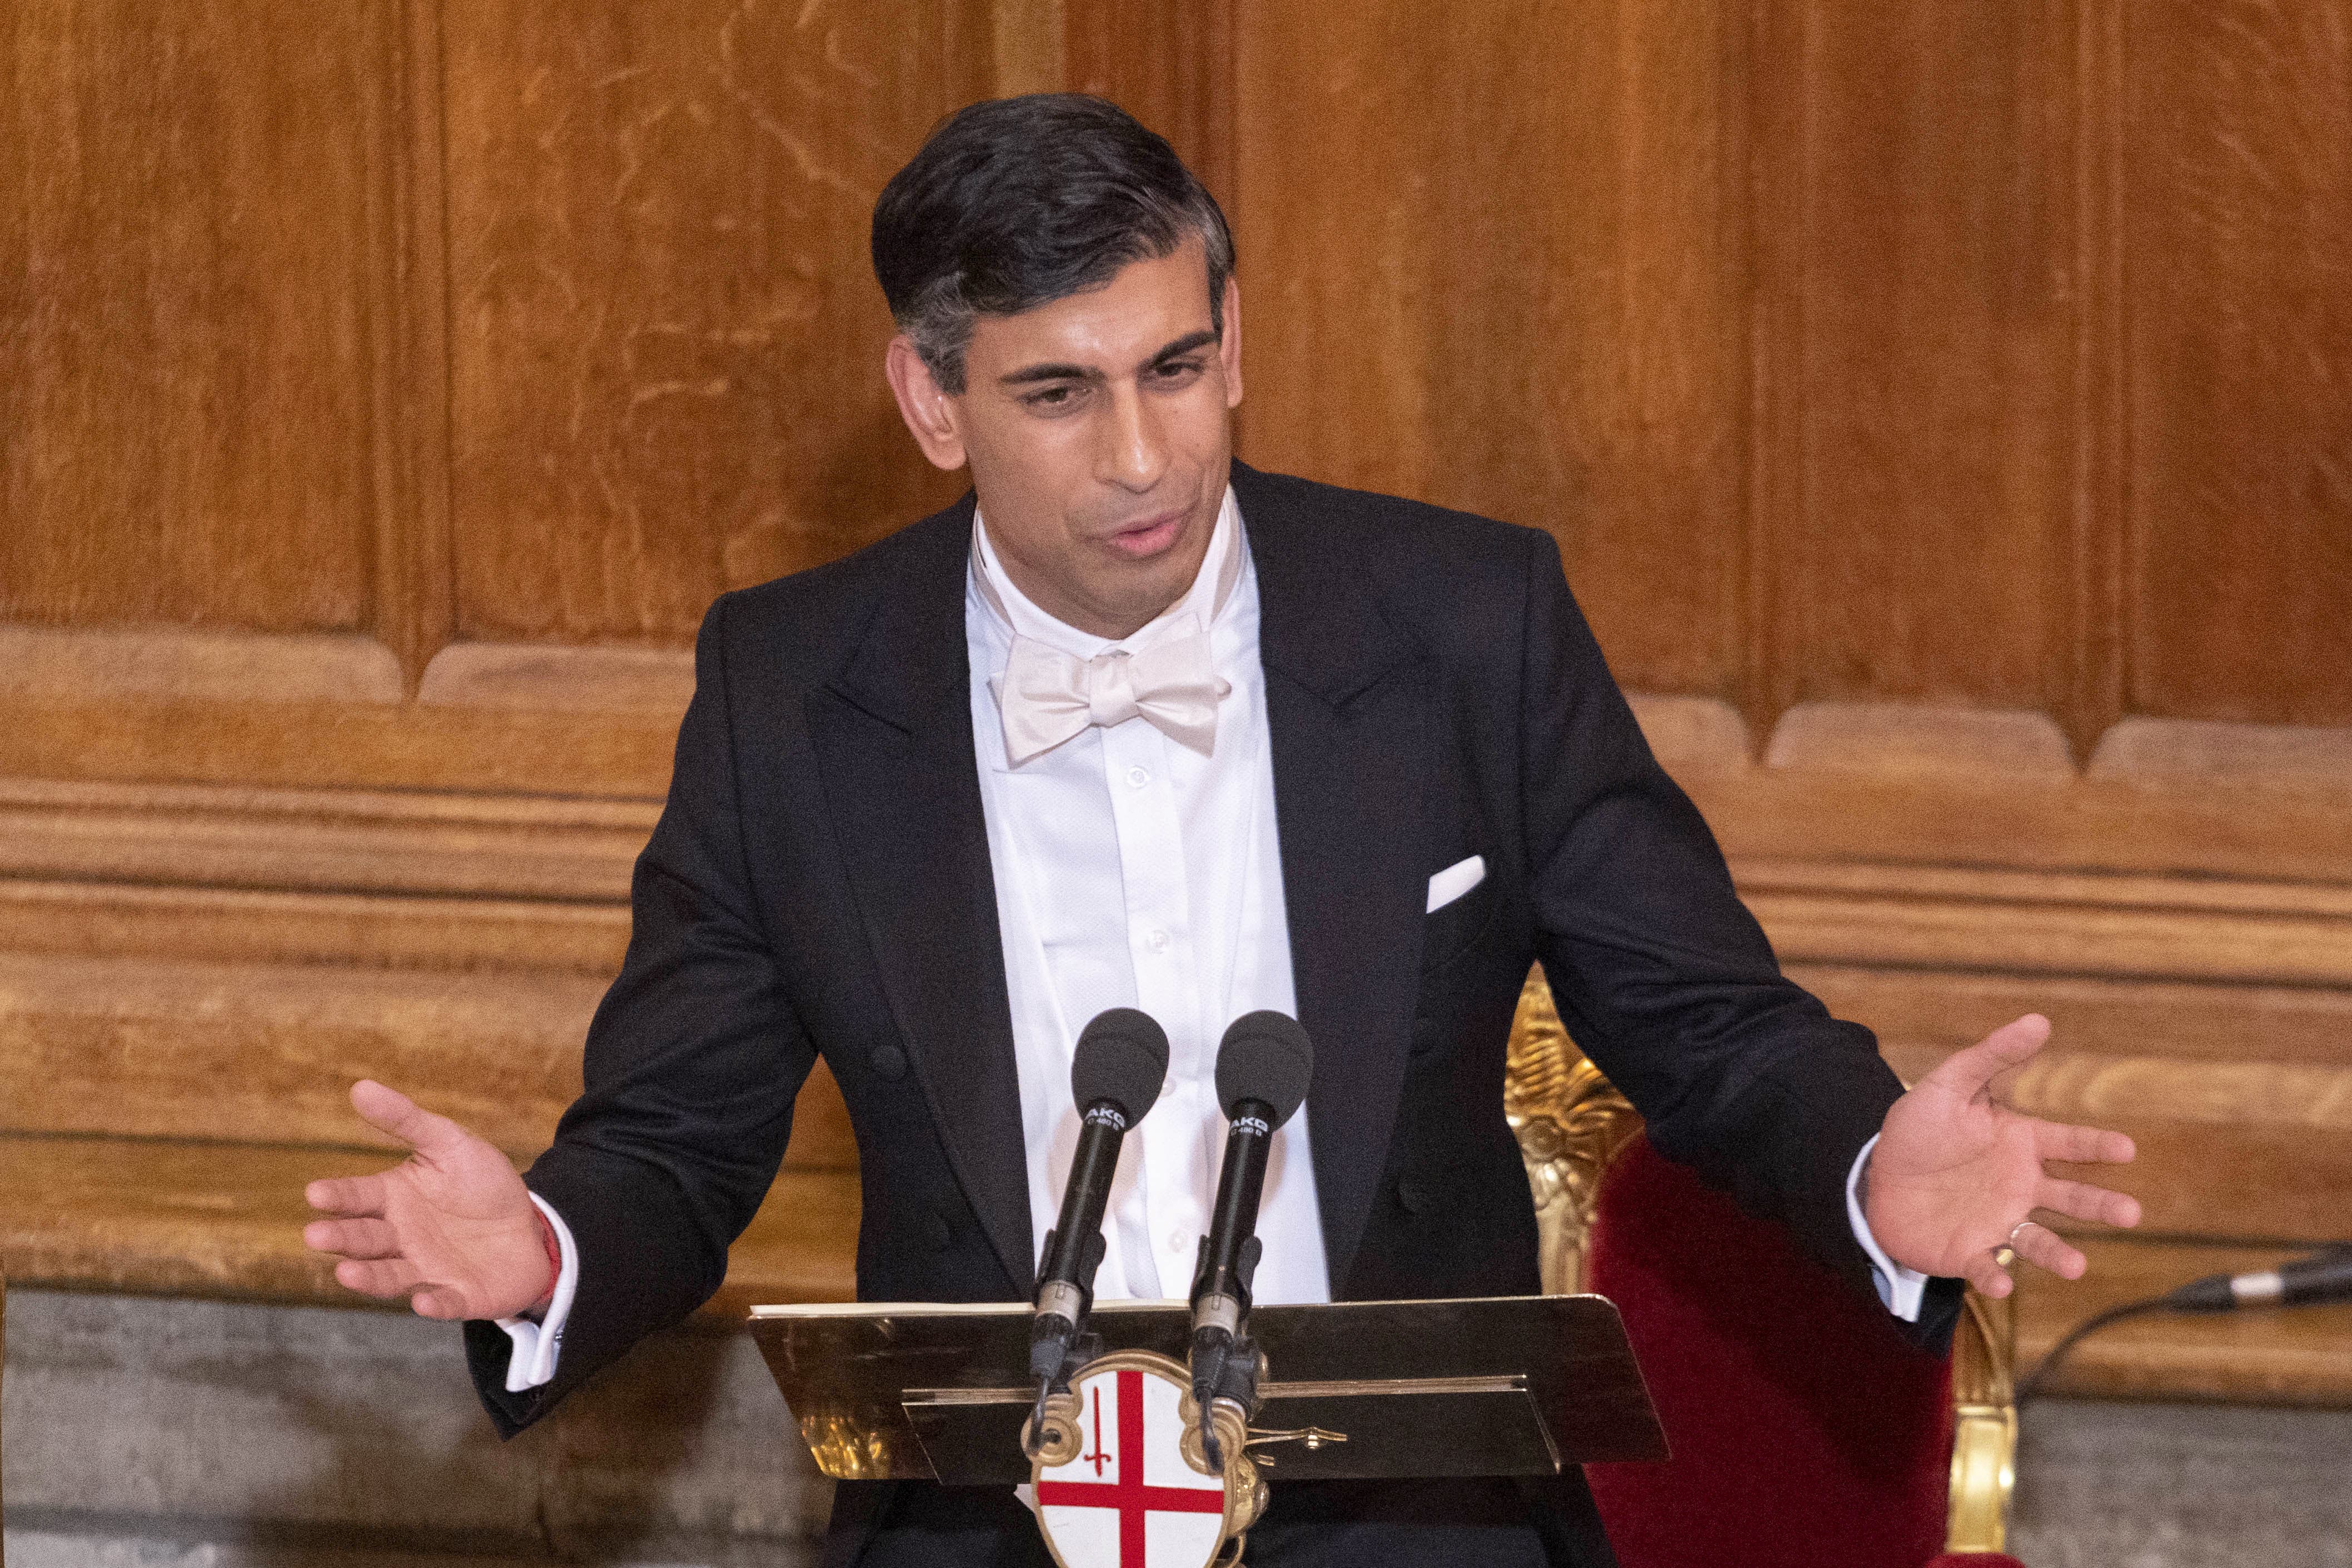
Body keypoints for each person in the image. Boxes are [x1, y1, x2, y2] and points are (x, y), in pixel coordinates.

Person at [304, 94, 2140, 1567]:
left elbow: (1704, 1021)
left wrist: (1861, 1172)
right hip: (984, 1506)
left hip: (1413, 1509)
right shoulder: (795, 689)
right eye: (1057, 392)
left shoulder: (1456, 624)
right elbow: (679, 1132)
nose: (1142, 458)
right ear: (930, 403)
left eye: (1175, 368)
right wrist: (552, 1252)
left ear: (1234, 337)